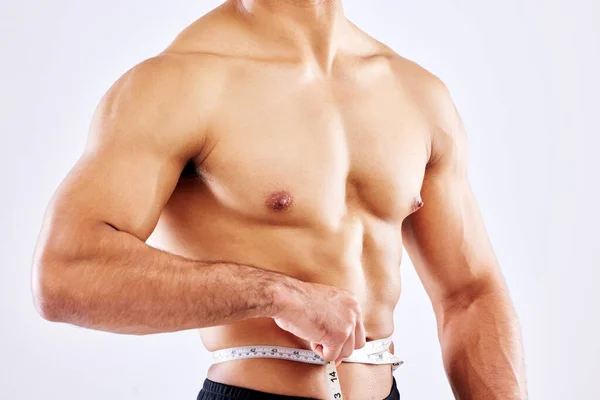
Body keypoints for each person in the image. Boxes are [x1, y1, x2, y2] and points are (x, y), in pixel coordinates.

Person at [31, 1, 527, 399]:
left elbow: (469, 294)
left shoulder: (416, 92)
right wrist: (278, 294)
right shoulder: (179, 82)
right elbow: (65, 272)